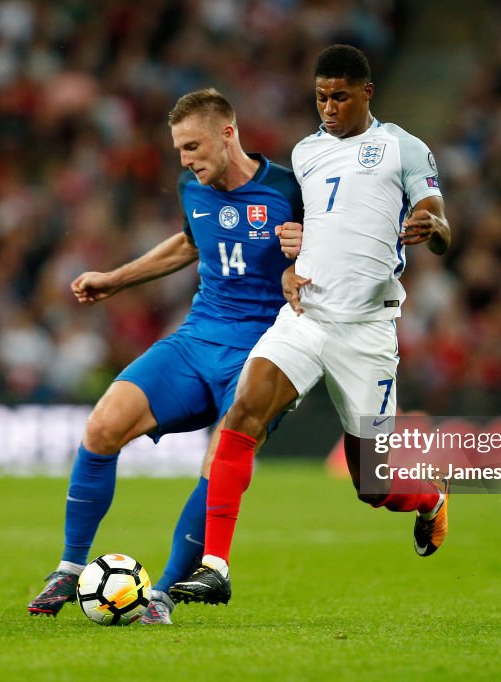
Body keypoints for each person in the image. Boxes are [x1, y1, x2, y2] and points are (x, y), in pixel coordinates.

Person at [170, 45, 452, 606]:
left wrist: (431, 225)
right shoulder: (305, 153)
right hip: (306, 316)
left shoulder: (403, 148)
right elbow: (303, 224)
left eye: (340, 97)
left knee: (371, 485)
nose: (328, 107)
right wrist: (293, 264)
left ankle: (430, 499)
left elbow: (439, 219)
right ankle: (215, 566)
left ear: (366, 93)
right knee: (242, 413)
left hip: (367, 331)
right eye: (321, 96)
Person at [27, 88, 303, 623]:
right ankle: (67, 568)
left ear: (228, 134)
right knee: (103, 425)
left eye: (193, 146)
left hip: (267, 350)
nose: (185, 159)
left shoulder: (290, 188)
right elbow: (188, 243)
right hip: (197, 338)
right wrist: (116, 279)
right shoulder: (190, 187)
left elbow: (334, 244)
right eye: (179, 149)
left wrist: (304, 251)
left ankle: (164, 597)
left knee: (218, 458)